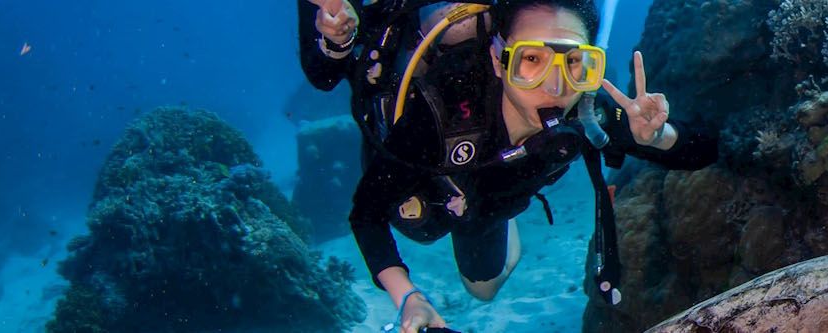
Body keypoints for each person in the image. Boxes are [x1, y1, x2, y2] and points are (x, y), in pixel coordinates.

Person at [297, 0, 717, 332]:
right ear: (499, 61)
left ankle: (496, 217)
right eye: (531, 60)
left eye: (574, 62)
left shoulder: (586, 112)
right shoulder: (439, 114)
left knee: (483, 289)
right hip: (435, 187)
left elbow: (704, 150)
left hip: (489, 207)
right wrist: (408, 296)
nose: (555, 85)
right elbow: (366, 213)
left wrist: (655, 136)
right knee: (421, 227)